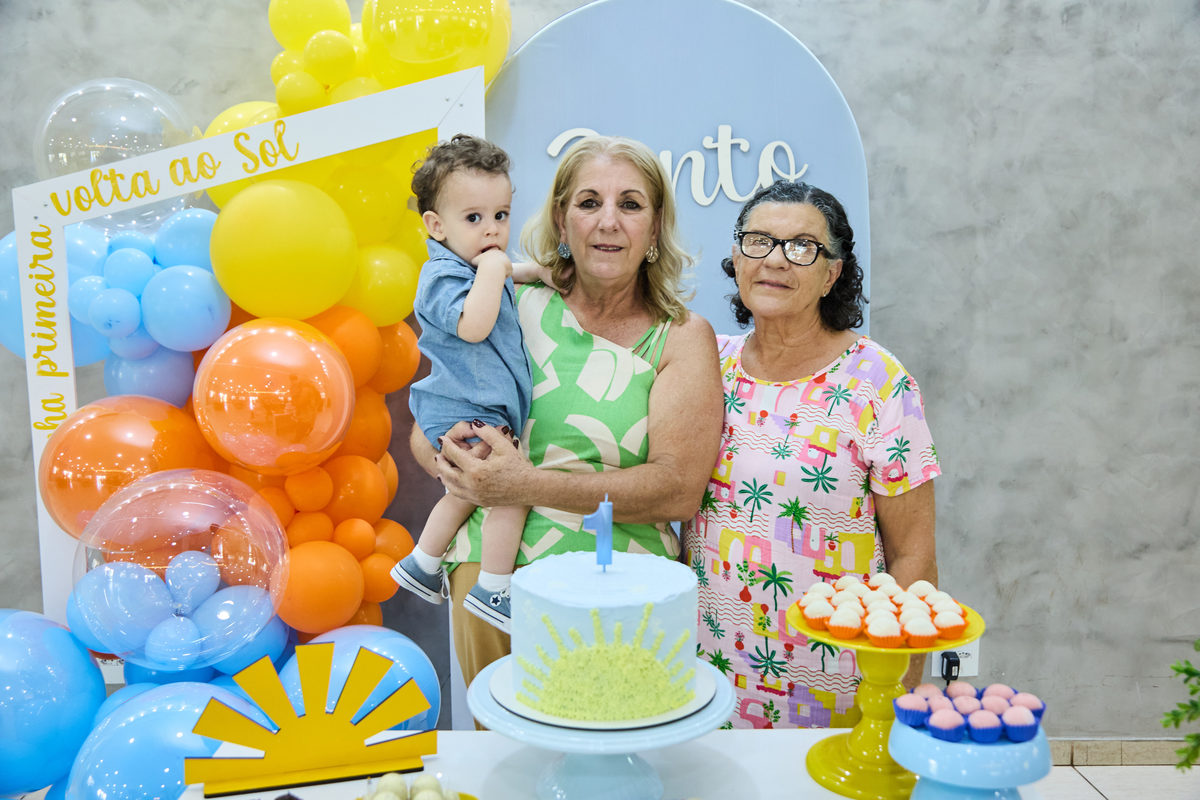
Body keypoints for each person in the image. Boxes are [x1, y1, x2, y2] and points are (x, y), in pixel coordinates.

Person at [413, 135, 724, 688]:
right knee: (504, 740)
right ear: (561, 220)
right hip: (488, 584)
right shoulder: (505, 302)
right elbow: (426, 432)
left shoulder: (679, 336)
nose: (609, 221)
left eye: (631, 204)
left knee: (614, 734)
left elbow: (677, 491)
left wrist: (525, 484)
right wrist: (455, 459)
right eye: (589, 202)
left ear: (655, 228)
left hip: (622, 591)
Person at [681, 180, 940, 729]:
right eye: (759, 241)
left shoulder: (877, 380)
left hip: (841, 682)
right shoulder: (706, 364)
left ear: (832, 274)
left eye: (803, 247)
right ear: (736, 257)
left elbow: (913, 554)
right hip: (709, 674)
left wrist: (896, 697)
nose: (776, 260)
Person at [391, 134, 532, 633]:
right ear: (437, 226)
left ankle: (422, 562)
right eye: (474, 218)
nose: (492, 230)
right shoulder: (440, 276)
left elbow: (506, 272)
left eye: (501, 215)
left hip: (473, 409)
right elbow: (474, 325)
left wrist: (535, 273)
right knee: (511, 492)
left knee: (463, 495)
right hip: (464, 411)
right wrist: (496, 267)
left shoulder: (475, 265)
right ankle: (495, 587)